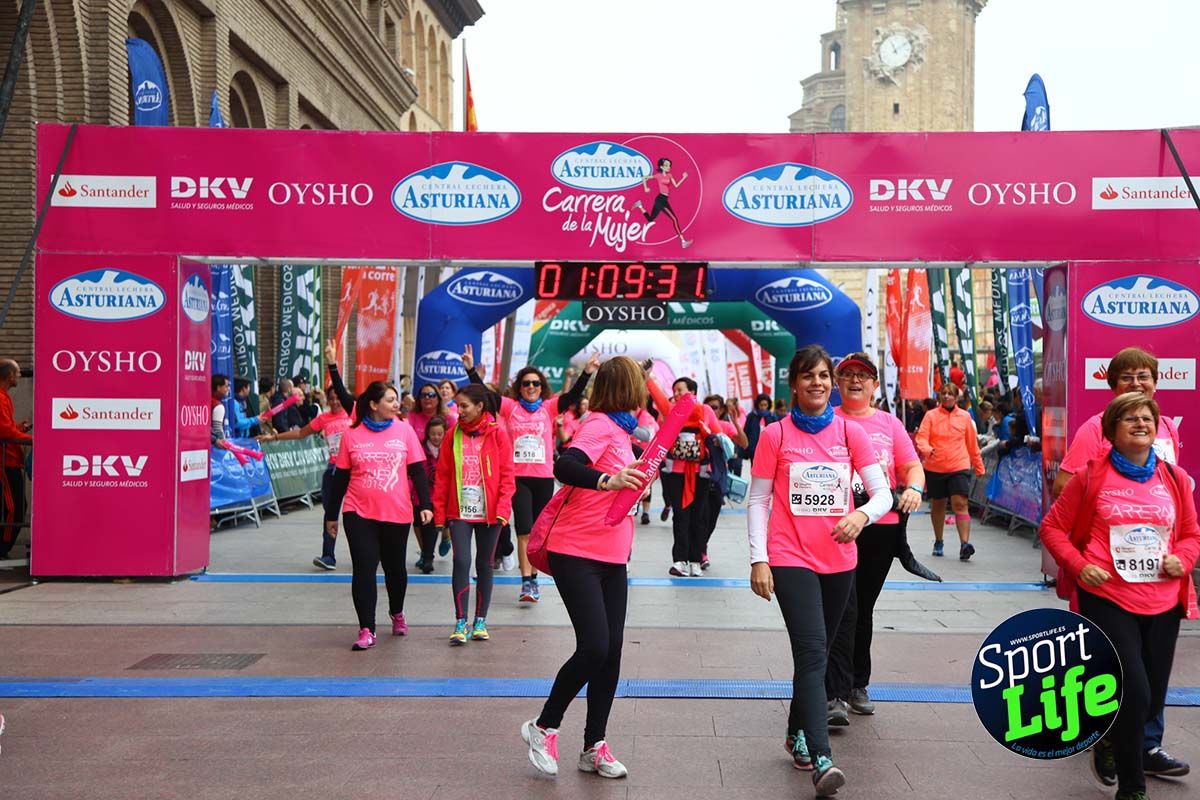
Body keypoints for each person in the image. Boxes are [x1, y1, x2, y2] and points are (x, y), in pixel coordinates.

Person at [747, 345, 893, 797]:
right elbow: (757, 500)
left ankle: (796, 733)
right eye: (808, 376)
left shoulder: (851, 433)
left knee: (820, 654)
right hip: (790, 557)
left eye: (823, 376)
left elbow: (883, 494)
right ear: (793, 384)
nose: (818, 383)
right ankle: (822, 757)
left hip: (839, 561)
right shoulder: (775, 435)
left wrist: (861, 516)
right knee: (812, 653)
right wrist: (759, 558)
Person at [1041, 393, 1198, 800]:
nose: (1141, 423)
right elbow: (1052, 528)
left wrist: (1182, 558)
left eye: (1147, 418)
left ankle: (1108, 737)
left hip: (1163, 601)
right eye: (1130, 418)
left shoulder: (1174, 479)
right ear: (1111, 430)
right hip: (1107, 594)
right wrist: (1079, 566)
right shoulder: (1091, 476)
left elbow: (1191, 535)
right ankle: (1133, 787)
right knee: (1134, 689)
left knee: (1153, 697)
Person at [520, 355, 649, 781]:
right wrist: (607, 480)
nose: (643, 391)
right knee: (594, 646)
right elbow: (565, 465)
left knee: (610, 652)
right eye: (639, 383)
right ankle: (543, 727)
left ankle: (594, 746)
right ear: (625, 387)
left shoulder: (624, 430)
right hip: (576, 549)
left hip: (614, 553)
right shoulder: (598, 424)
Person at [824, 352, 937, 726]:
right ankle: (834, 692)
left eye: (863, 376)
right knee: (844, 606)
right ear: (838, 383)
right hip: (836, 526)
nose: (855, 380)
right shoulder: (826, 419)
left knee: (863, 607)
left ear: (874, 385)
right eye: (848, 375)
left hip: (882, 526)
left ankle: (858, 684)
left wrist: (915, 489)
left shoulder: (889, 424)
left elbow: (911, 466)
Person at [461, 345, 596, 602]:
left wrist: (587, 373)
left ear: (541, 386)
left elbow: (573, 395)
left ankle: (534, 577)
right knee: (524, 529)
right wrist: (470, 370)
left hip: (544, 478)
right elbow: (486, 397)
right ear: (519, 387)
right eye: (526, 384)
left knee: (538, 531)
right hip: (518, 477)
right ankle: (527, 583)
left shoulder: (550, 407)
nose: (531, 387)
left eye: (535, 383)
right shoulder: (511, 408)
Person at [324, 381, 432, 651]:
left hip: (396, 512)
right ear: (373, 404)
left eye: (397, 400)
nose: (397, 404)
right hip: (358, 511)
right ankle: (366, 628)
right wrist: (331, 515)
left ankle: (397, 612)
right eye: (390, 400)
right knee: (364, 568)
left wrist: (426, 505)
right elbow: (341, 478)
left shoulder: (404, 431)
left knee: (395, 569)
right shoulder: (352, 435)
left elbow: (418, 471)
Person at [434, 383, 516, 644]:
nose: (459, 411)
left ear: (480, 407)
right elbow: (443, 476)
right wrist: (439, 515)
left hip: (490, 513)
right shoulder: (452, 434)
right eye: (458, 406)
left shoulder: (498, 434)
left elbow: (507, 475)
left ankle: (480, 620)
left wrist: (503, 509)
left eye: (464, 406)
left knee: (485, 564)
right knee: (461, 561)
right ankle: (460, 621)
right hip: (460, 510)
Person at [649, 376, 745, 576]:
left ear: (692, 392)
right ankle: (679, 561)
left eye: (680, 390)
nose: (675, 394)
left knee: (698, 516)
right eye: (674, 390)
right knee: (680, 516)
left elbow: (719, 436)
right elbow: (658, 400)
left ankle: (695, 560)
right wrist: (647, 378)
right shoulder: (672, 410)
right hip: (676, 472)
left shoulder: (706, 410)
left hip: (701, 473)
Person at [261, 378, 353, 571]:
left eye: (338, 398)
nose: (336, 402)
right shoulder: (324, 418)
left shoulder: (353, 413)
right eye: (332, 398)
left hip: (355, 471)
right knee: (330, 513)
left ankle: (367, 554)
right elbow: (301, 433)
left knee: (358, 516)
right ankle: (328, 556)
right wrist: (274, 437)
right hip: (334, 469)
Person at [916, 382, 984, 560]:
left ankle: (964, 544)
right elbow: (921, 438)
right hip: (935, 467)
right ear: (940, 397)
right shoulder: (930, 416)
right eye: (943, 393)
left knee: (960, 504)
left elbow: (972, 444)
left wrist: (979, 466)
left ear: (956, 397)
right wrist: (927, 449)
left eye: (950, 394)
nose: (946, 396)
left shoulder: (964, 417)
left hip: (959, 467)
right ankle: (939, 540)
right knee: (938, 505)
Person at [0, 360, 31, 560]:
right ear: (10, 376)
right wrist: (32, 439)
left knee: (17, 507)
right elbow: (4, 431)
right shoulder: (1, 398)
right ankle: (2, 549)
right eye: (18, 373)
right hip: (5, 463)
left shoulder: (5, 398)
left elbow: (7, 428)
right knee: (14, 509)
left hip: (11, 460)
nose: (19, 376)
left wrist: (19, 429)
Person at [414, 416, 448, 574]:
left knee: (433, 526)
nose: (436, 437)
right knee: (422, 525)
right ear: (427, 433)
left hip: (441, 495)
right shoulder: (420, 449)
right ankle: (426, 555)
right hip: (422, 494)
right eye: (433, 434)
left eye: (439, 434)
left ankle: (428, 557)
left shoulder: (449, 448)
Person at [633, 157, 691, 248]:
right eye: (666, 165)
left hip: (664, 199)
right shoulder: (658, 175)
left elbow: (676, 185)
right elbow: (644, 177)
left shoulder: (670, 175)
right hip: (660, 200)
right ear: (661, 166)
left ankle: (640, 206)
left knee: (650, 219)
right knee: (674, 219)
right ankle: (683, 241)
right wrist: (645, 188)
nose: (668, 167)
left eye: (669, 165)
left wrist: (684, 178)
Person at [742, 393, 780, 463]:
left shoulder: (772, 417)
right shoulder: (751, 416)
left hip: (768, 449)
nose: (763, 407)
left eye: (765, 405)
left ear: (768, 405)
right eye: (761, 405)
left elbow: (777, 434)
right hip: (754, 449)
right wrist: (747, 448)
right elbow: (746, 432)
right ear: (757, 404)